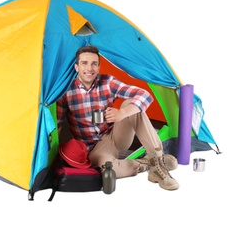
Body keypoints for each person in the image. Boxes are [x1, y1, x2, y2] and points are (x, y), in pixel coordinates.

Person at [56, 45, 179, 190]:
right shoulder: (66, 91)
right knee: (109, 170)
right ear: (76, 67)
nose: (89, 68)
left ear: (99, 67)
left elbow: (145, 95)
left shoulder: (107, 82)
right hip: (93, 149)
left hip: (115, 136)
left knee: (131, 104)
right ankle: (147, 165)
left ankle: (158, 163)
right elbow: (57, 124)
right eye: (84, 63)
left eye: (94, 63)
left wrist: (121, 113)